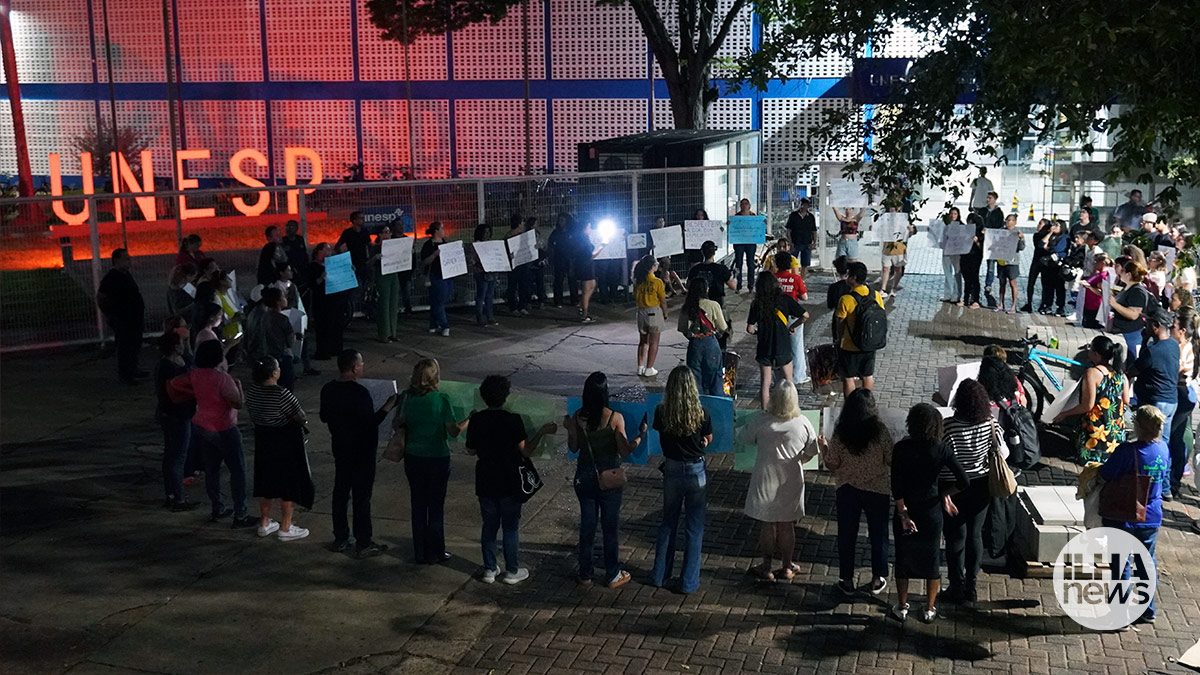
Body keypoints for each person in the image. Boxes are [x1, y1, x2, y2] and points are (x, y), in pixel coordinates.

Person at [465, 375, 556, 584]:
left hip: (485, 478)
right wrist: (542, 431)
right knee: (510, 527)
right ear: (505, 396)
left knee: (489, 525)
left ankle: (489, 568)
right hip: (509, 480)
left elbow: (470, 450)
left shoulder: (477, 419)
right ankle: (512, 570)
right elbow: (525, 451)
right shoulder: (513, 419)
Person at [563, 372, 647, 589]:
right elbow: (626, 450)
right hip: (608, 479)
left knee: (588, 526)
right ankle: (612, 573)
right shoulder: (614, 418)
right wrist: (641, 435)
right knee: (610, 528)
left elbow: (573, 447)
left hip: (584, 477)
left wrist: (571, 430)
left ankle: (585, 572)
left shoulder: (577, 417)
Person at [890, 403, 969, 623]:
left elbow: (895, 483)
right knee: (932, 559)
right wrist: (945, 494)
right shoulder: (940, 448)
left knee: (903, 558)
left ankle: (903, 605)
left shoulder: (901, 448)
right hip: (931, 511)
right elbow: (963, 480)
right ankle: (929, 608)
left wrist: (902, 512)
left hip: (907, 511)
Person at [319, 350, 398, 557]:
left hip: (341, 448)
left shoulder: (328, 389)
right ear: (354, 368)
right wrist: (387, 407)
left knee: (341, 492)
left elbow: (323, 417)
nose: (363, 367)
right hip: (362, 452)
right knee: (362, 497)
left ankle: (341, 537)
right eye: (361, 364)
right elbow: (369, 424)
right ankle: (364, 541)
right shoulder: (359, 393)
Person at [740, 379, 818, 581]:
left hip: (765, 478)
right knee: (786, 524)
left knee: (767, 524)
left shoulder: (762, 420)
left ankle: (766, 566)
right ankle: (787, 566)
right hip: (790, 480)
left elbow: (744, 438)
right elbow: (811, 451)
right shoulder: (802, 423)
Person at [819, 389, 893, 596]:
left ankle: (846, 579)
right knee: (878, 534)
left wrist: (824, 448)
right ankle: (878, 577)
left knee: (847, 534)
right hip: (877, 489)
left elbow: (832, 463)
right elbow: (890, 459)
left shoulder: (842, 432)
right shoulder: (880, 431)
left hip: (847, 490)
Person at [395, 358, 470, 563]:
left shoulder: (406, 398)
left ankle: (419, 551)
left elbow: (397, 424)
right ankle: (436, 551)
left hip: (413, 457)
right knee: (435, 507)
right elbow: (453, 431)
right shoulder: (441, 399)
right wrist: (468, 420)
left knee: (418, 505)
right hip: (437, 457)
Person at [1099, 405, 1168, 626]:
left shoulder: (1127, 451)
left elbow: (1107, 473)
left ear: (1137, 426)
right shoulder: (1164, 448)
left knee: (1120, 565)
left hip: (1124, 515)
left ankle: (1119, 616)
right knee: (1145, 562)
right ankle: (1147, 609)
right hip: (1152, 516)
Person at [941, 379, 1007, 605]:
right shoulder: (991, 424)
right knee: (975, 534)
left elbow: (943, 458)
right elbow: (1003, 453)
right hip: (981, 486)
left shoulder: (949, 426)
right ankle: (972, 586)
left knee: (955, 536)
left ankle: (955, 585)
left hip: (953, 487)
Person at [648, 367, 712, 594]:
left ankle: (660, 574)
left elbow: (660, 433)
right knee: (694, 528)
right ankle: (688, 581)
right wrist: (702, 442)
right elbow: (707, 438)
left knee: (668, 522)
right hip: (696, 471)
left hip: (672, 470)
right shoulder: (702, 413)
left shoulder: (661, 411)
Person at [180, 340, 254, 527]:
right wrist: (238, 386)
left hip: (203, 427)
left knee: (212, 470)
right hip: (224, 427)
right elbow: (237, 403)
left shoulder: (195, 375)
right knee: (237, 471)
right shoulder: (222, 379)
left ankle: (218, 507)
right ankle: (240, 514)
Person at [245, 356, 313, 542]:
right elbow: (301, 417)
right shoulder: (281, 394)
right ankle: (285, 527)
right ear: (275, 373)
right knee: (287, 484)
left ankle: (265, 523)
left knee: (265, 482)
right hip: (283, 442)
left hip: (263, 440)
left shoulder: (252, 392)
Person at [1050, 336, 1130, 463]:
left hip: (1096, 433)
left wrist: (1064, 414)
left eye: (1090, 349)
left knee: (1090, 469)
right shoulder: (1121, 375)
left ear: (1096, 354)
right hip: (1115, 435)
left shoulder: (1092, 373)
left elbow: (1087, 406)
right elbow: (1126, 401)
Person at [747, 272, 806, 409]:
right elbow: (805, 315)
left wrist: (759, 332)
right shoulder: (785, 299)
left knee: (765, 384)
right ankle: (792, 409)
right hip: (783, 345)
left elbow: (750, 328)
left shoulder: (757, 303)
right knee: (789, 381)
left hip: (764, 347)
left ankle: (765, 413)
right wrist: (792, 327)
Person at [155, 330, 197, 511]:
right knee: (177, 456)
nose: (184, 344)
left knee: (171, 455)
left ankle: (171, 494)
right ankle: (178, 498)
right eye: (181, 342)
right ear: (174, 346)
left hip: (173, 414)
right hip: (177, 415)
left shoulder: (172, 363)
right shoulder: (168, 367)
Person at [1129, 306, 1179, 448]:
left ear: (1156, 326)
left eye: (1147, 322)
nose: (1145, 324)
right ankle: (1162, 468)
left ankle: (1148, 468)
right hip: (1170, 401)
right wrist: (1145, 340)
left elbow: (1133, 370)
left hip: (1155, 402)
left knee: (1149, 442)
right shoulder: (1173, 345)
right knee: (1163, 442)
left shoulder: (1153, 351)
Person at [833, 261, 885, 395]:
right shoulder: (876, 295)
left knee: (849, 378)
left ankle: (850, 405)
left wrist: (839, 340)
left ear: (854, 277)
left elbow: (840, 322)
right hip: (869, 344)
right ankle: (867, 402)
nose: (846, 277)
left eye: (848, 274)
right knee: (868, 375)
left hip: (850, 346)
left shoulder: (846, 299)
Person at [96, 248, 147, 384]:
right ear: (117, 260)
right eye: (126, 258)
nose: (129, 261)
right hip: (123, 319)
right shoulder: (111, 277)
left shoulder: (125, 274)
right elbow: (101, 297)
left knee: (134, 344)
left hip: (133, 318)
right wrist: (111, 315)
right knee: (125, 346)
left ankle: (133, 369)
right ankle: (126, 375)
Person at [1167, 309, 1199, 499]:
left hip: (1182, 393)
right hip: (1186, 395)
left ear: (1183, 331)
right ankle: (1174, 480)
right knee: (1179, 437)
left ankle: (1172, 480)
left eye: (1174, 326)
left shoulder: (1184, 347)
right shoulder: (1189, 344)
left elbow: (1178, 368)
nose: (1171, 328)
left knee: (1173, 438)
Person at [677, 278, 728, 397]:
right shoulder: (713, 305)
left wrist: (694, 336)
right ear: (705, 289)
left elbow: (683, 329)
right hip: (711, 343)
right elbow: (722, 326)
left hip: (694, 345)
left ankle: (697, 409)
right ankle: (716, 408)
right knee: (715, 378)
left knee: (695, 379)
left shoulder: (686, 306)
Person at [686, 240, 735, 347]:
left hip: (698, 304)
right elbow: (733, 286)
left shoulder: (695, 269)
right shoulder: (721, 269)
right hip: (717, 303)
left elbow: (688, 286)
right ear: (714, 252)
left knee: (699, 329)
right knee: (721, 331)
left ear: (702, 252)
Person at [774, 251, 810, 385]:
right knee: (796, 347)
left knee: (778, 346)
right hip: (793, 316)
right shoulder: (796, 278)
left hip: (777, 316)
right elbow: (804, 297)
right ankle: (799, 376)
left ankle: (778, 377)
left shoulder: (773, 278)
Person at [1109, 261, 1155, 363]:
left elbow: (1134, 314)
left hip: (1131, 334)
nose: (1120, 273)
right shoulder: (1127, 288)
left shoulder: (1137, 292)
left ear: (1128, 274)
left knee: (1130, 361)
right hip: (1123, 332)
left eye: (1122, 271)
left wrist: (1115, 305)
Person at [310, 243, 349, 360]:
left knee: (336, 325)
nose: (329, 253)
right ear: (319, 251)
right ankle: (322, 351)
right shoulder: (313, 266)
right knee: (323, 327)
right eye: (327, 250)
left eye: (330, 250)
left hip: (334, 299)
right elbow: (312, 284)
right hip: (321, 301)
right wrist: (322, 277)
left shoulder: (331, 265)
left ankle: (335, 349)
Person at [632, 255, 667, 377]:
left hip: (641, 312)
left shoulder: (638, 281)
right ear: (652, 267)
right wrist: (665, 313)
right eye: (656, 264)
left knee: (643, 341)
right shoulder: (657, 282)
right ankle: (649, 368)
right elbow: (662, 300)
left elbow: (635, 297)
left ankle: (640, 366)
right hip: (654, 312)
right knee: (654, 342)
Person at [366, 225, 400, 342]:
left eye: (389, 232)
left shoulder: (395, 247)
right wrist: (375, 258)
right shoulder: (375, 248)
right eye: (385, 232)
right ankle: (384, 334)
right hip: (382, 276)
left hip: (393, 275)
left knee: (393, 304)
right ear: (380, 235)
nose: (388, 234)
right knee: (384, 305)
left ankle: (393, 332)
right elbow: (368, 264)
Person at [259, 286, 296, 390]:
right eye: (283, 296)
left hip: (269, 355)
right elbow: (290, 342)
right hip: (283, 356)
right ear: (278, 301)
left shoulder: (264, 317)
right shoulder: (283, 319)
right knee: (287, 388)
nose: (286, 298)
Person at [421, 221, 453, 337]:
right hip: (436, 275)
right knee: (439, 301)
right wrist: (434, 255)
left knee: (438, 300)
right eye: (442, 229)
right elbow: (424, 261)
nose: (444, 231)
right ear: (436, 231)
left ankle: (433, 324)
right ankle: (445, 325)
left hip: (447, 274)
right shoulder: (428, 245)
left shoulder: (445, 243)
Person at [878, 207, 916, 298]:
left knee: (897, 269)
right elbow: (879, 230)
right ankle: (883, 289)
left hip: (898, 248)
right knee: (885, 268)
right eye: (891, 211)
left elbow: (910, 233)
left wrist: (911, 230)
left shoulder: (904, 221)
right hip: (887, 248)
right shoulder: (884, 221)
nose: (893, 213)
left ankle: (894, 288)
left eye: (895, 210)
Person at [994, 214, 1026, 314]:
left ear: (1015, 222)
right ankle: (1001, 303)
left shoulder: (1017, 232)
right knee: (1002, 283)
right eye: (1007, 220)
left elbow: (1021, 247)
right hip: (1002, 261)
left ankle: (1013, 305)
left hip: (1012, 262)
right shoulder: (1001, 231)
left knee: (1013, 283)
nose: (1009, 222)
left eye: (1011, 220)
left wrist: (1021, 238)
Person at [573, 219, 603, 324]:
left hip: (586, 265)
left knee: (592, 285)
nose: (590, 229)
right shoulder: (583, 240)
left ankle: (582, 308)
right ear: (584, 228)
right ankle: (584, 314)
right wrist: (602, 247)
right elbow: (590, 255)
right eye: (589, 227)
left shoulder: (583, 238)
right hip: (585, 266)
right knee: (587, 289)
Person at [1037, 220, 1069, 316]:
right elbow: (1041, 244)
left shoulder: (1065, 237)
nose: (1054, 227)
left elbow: (1058, 249)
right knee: (1048, 287)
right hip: (1048, 265)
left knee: (1059, 287)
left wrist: (1048, 247)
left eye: (1057, 226)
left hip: (1058, 265)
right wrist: (1050, 233)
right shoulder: (1051, 236)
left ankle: (1060, 307)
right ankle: (1048, 305)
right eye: (1053, 225)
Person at [470, 224, 500, 327]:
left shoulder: (490, 244)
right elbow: (474, 260)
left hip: (490, 272)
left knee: (489, 295)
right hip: (481, 272)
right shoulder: (476, 245)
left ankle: (489, 316)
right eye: (485, 232)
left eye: (488, 232)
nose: (487, 234)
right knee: (481, 296)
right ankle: (480, 317)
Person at [980, 192, 1006, 308]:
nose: (987, 199)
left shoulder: (999, 212)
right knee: (985, 262)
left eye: (989, 198)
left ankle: (989, 284)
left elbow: (1000, 226)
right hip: (983, 241)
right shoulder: (982, 211)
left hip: (993, 242)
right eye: (987, 197)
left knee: (991, 264)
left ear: (995, 199)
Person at [547, 214, 578, 308]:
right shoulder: (556, 232)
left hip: (570, 259)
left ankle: (574, 300)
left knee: (572, 280)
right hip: (559, 259)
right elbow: (551, 244)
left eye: (563, 220)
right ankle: (558, 301)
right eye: (559, 220)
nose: (560, 222)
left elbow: (576, 245)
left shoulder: (572, 232)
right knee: (558, 280)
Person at [938, 208, 965, 304]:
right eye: (952, 214)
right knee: (947, 273)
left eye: (955, 214)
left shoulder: (961, 226)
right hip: (946, 251)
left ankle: (957, 294)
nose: (953, 215)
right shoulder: (945, 225)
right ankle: (948, 294)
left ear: (958, 215)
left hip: (956, 253)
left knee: (957, 273)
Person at [731, 198, 758, 292]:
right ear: (740, 206)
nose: (744, 205)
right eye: (742, 204)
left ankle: (751, 285)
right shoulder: (736, 217)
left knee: (750, 263)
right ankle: (738, 285)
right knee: (738, 263)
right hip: (739, 243)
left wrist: (763, 224)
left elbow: (758, 227)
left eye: (746, 204)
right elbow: (733, 229)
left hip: (750, 243)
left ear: (749, 206)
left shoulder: (754, 216)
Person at [1079, 253, 1112, 329]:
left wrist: (1089, 286)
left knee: (1091, 326)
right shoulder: (1097, 273)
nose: (1094, 264)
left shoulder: (1104, 276)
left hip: (1095, 306)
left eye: (1096, 262)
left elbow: (1101, 292)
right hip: (1088, 304)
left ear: (1102, 263)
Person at [786, 198, 817, 276]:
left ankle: (802, 280)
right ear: (800, 205)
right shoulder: (793, 215)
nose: (805, 206)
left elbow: (814, 230)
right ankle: (792, 278)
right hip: (795, 242)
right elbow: (788, 230)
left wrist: (814, 242)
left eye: (807, 205)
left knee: (805, 264)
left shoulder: (810, 217)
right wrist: (790, 242)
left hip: (807, 242)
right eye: (803, 204)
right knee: (792, 262)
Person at [961, 211, 985, 308]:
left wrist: (977, 241)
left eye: (971, 222)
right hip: (965, 256)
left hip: (975, 256)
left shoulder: (981, 233)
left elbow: (983, 248)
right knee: (966, 278)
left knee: (974, 277)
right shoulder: (965, 230)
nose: (969, 224)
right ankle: (966, 298)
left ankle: (975, 299)